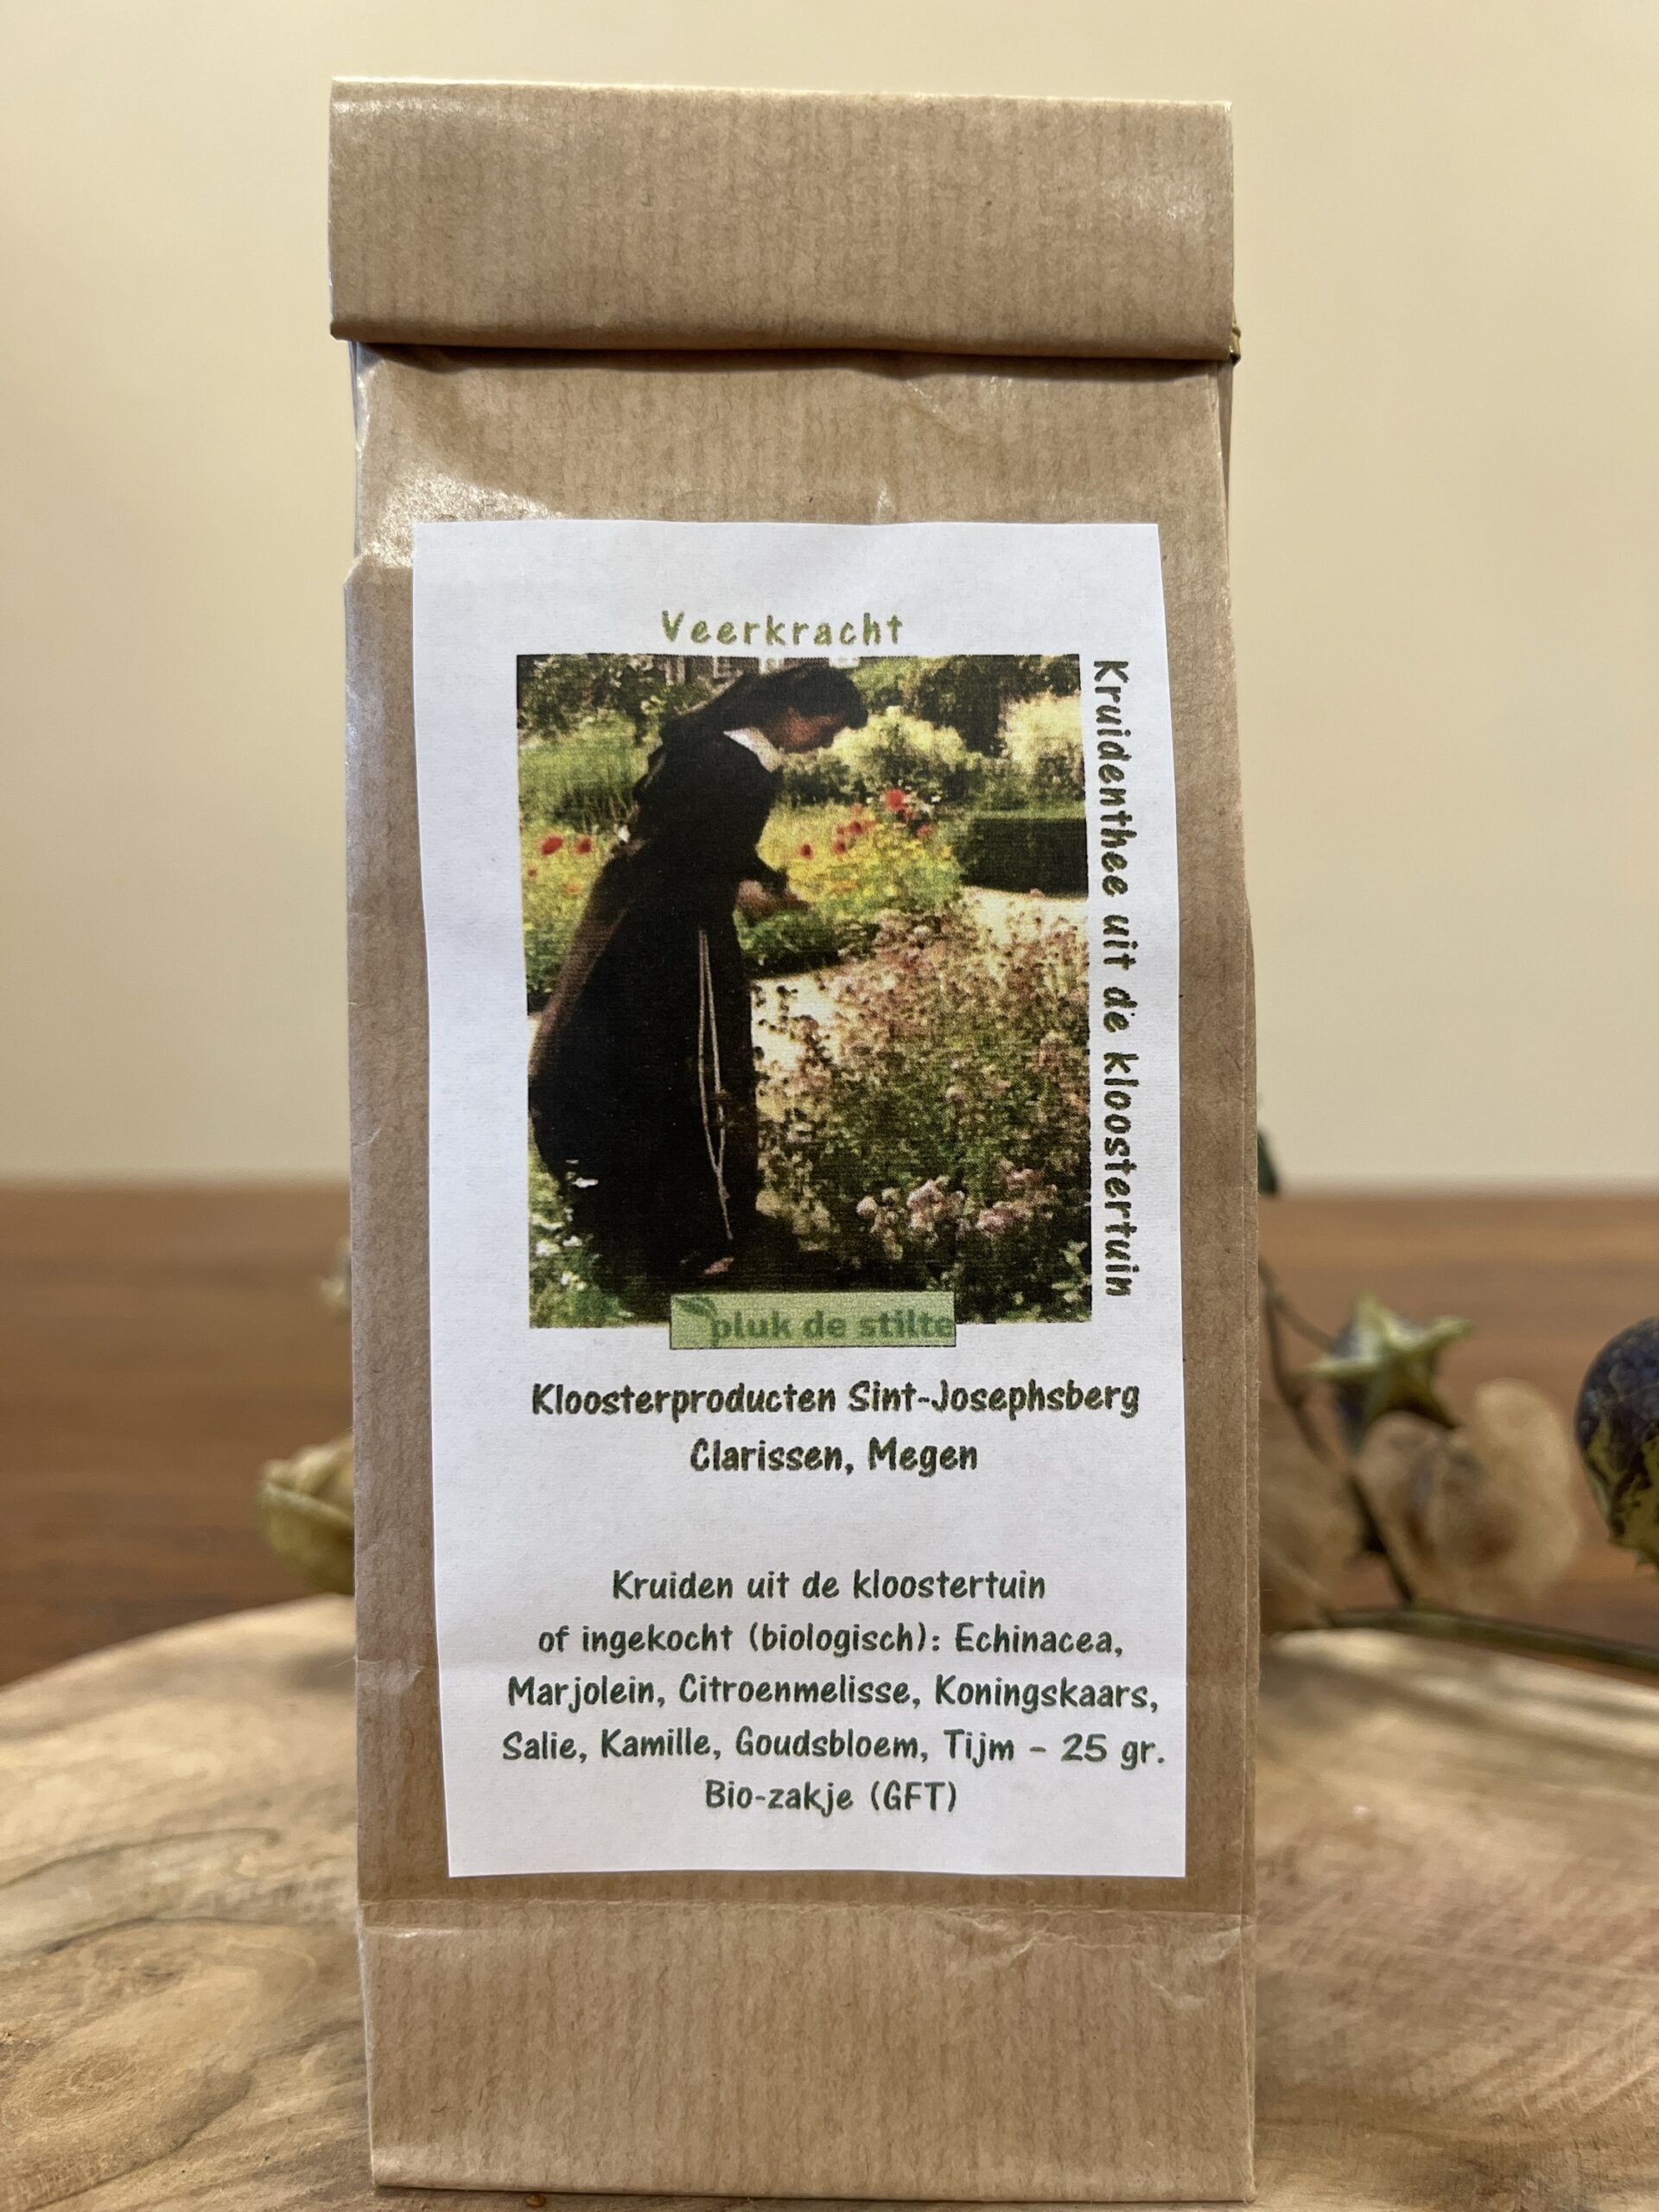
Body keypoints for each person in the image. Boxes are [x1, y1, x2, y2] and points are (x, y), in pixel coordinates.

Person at [529, 662, 868, 1300]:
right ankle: (700, 1234)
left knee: (629, 1064)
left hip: (623, 925)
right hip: (671, 936)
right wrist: (747, 893)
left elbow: (698, 842)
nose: (822, 746)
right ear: (790, 710)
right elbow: (681, 858)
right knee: (700, 1072)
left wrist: (759, 880)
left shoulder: (713, 747)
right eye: (823, 732)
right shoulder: (738, 764)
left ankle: (639, 1218)